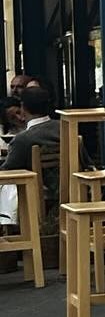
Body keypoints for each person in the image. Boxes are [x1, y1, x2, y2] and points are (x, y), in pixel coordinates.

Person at [0, 83, 59, 226]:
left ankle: (7, 226)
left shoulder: (23, 139)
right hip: (65, 186)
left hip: (38, 189)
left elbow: (7, 172)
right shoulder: (65, 127)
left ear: (23, 107)